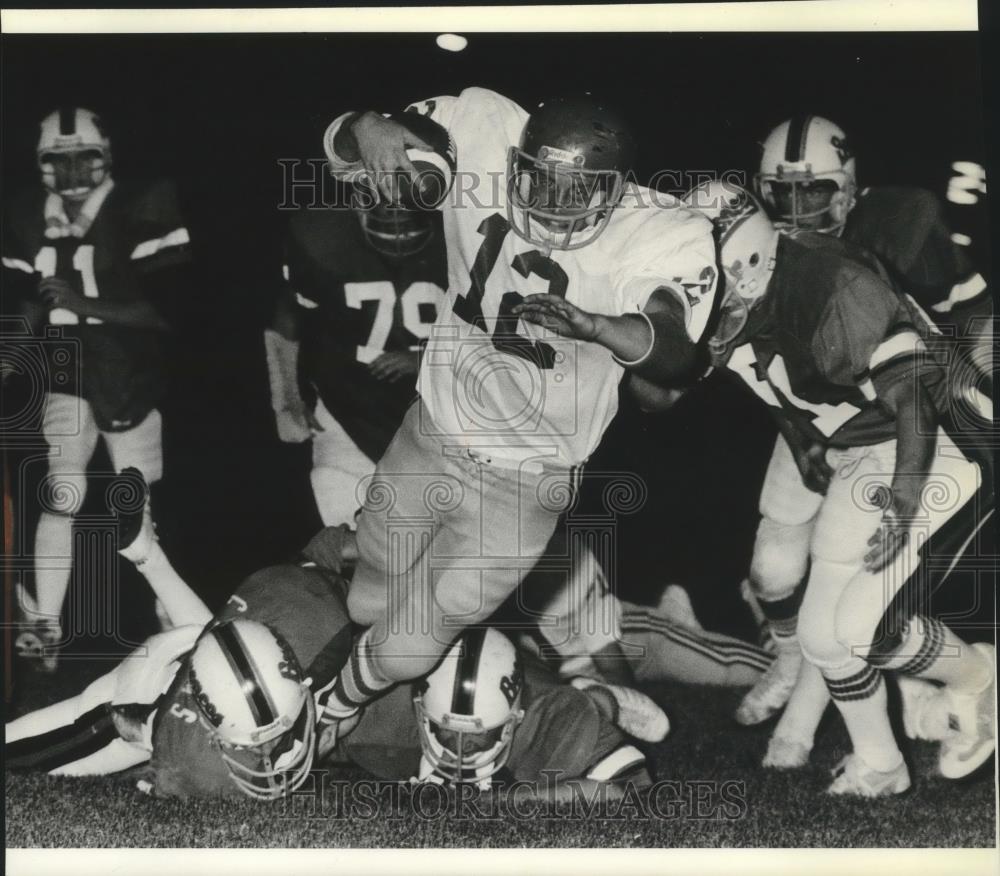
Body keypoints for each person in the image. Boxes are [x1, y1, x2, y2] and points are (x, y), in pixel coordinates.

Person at [309, 88, 719, 739]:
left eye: (573, 191)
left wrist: (602, 326)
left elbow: (672, 352)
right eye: (537, 180)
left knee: (416, 638)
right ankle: (512, 681)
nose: (550, 202)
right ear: (517, 158)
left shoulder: (662, 230)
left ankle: (326, 714)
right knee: (369, 599)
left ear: (615, 191)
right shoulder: (482, 125)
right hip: (432, 430)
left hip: (528, 479)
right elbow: (343, 146)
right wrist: (366, 124)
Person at [5, 471, 668, 798]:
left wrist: (584, 719)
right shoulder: (303, 667)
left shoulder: (518, 702)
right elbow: (133, 717)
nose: (460, 756)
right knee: (121, 705)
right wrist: (148, 737)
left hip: (281, 629)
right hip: (219, 647)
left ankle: (148, 554)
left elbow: (630, 790)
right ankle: (147, 554)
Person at [687, 181, 995, 796]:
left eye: (699, 277)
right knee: (824, 638)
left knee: (863, 628)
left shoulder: (830, 286)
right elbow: (766, 377)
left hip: (951, 436)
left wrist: (906, 501)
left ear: (746, 265)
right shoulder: (758, 287)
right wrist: (801, 435)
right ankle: (882, 764)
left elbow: (912, 399)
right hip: (872, 444)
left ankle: (978, 678)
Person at [2, 107, 191, 670]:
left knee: (138, 501)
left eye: (84, 155)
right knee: (62, 490)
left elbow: (170, 312)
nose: (71, 170)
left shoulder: (145, 202)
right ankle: (47, 626)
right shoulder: (24, 212)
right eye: (56, 159)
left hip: (132, 373)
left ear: (107, 156)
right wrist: (9, 358)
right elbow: (33, 297)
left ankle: (173, 617)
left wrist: (82, 304)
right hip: (68, 369)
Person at [266, 196, 446, 527]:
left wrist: (432, 360)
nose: (398, 236)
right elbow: (290, 313)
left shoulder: (467, 230)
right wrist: (287, 397)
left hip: (439, 415)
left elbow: (502, 335)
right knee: (342, 523)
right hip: (349, 407)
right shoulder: (325, 233)